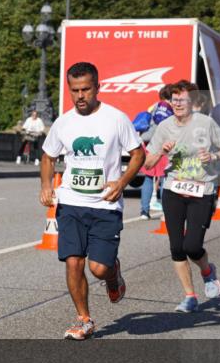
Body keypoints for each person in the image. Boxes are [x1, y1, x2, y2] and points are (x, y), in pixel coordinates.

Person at [40, 62, 144, 340]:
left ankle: (113, 273)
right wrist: (46, 185)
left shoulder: (116, 119)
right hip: (71, 203)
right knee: (73, 262)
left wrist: (121, 183)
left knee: (98, 268)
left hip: (105, 205)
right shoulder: (64, 122)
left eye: (86, 89)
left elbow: (138, 154)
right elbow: (49, 156)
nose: (80, 96)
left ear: (98, 87)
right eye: (74, 90)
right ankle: (84, 319)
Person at [145, 81, 220, 312]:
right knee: (176, 247)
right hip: (173, 190)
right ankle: (190, 296)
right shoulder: (164, 127)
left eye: (182, 100)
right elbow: (148, 162)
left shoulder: (206, 123)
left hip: (201, 191)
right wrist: (162, 152)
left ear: (193, 102)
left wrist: (213, 157)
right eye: (174, 100)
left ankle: (207, 271)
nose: (177, 104)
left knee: (192, 246)